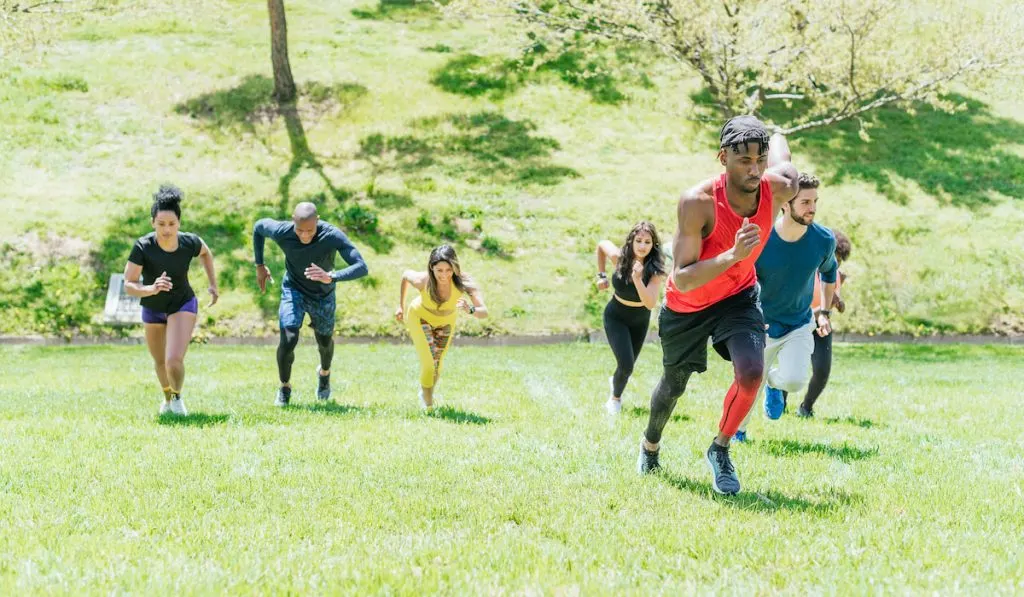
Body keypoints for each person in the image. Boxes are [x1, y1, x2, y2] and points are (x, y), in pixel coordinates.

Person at [637, 115, 799, 495]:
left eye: (760, 160)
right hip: (688, 305)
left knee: (751, 373)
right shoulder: (698, 202)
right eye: (744, 161)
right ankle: (650, 444)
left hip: (738, 296)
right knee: (673, 386)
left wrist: (774, 135)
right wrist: (732, 255)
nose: (755, 169)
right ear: (722, 157)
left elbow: (784, 157)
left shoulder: (777, 188)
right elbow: (682, 277)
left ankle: (721, 448)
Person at [733, 173, 838, 441]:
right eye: (804, 202)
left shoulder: (823, 240)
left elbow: (829, 273)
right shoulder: (762, 238)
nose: (812, 208)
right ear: (785, 204)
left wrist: (824, 312)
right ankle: (738, 432)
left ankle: (774, 384)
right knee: (748, 385)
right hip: (762, 324)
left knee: (794, 380)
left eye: (815, 201)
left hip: (800, 323)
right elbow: (740, 279)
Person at [253, 202, 368, 406]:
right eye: (300, 230)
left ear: (318, 220)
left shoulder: (331, 235)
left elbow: (361, 267)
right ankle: (284, 387)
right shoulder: (282, 231)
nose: (304, 236)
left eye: (310, 231)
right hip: (294, 289)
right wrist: (260, 265)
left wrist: (331, 277)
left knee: (324, 342)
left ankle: (324, 373)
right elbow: (258, 227)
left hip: (323, 295)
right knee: (288, 338)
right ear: (292, 220)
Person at [123, 184, 219, 416]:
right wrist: (151, 288)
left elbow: (206, 253)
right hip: (153, 307)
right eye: (161, 224)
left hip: (182, 303)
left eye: (172, 224)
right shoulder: (143, 247)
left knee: (173, 359)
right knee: (159, 361)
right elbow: (129, 284)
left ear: (179, 223)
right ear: (152, 222)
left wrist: (212, 284)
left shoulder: (189, 242)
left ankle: (177, 399)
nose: (167, 229)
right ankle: (167, 397)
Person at [395, 245, 488, 410]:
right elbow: (405, 276)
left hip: (446, 321)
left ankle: (425, 392)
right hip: (419, 317)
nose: (444, 275)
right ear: (432, 268)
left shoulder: (464, 283)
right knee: (429, 364)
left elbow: (483, 312)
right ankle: (428, 406)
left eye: (448, 270)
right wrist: (400, 306)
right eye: (439, 270)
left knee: (437, 364)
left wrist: (470, 309)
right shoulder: (422, 280)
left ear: (454, 268)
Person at [594, 222, 667, 414]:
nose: (642, 246)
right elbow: (602, 245)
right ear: (631, 241)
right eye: (639, 240)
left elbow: (650, 303)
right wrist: (601, 275)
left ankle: (617, 380)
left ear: (653, 245)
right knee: (626, 365)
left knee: (627, 367)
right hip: (616, 316)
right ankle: (615, 399)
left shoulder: (655, 269)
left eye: (647, 242)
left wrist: (637, 279)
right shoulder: (620, 258)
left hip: (640, 320)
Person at [786, 229, 852, 417]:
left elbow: (834, 299)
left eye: (840, 260)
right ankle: (779, 403)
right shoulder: (806, 270)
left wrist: (838, 303)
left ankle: (806, 407)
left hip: (821, 327)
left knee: (822, 370)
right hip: (799, 324)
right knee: (791, 368)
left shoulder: (837, 275)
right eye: (835, 258)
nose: (836, 264)